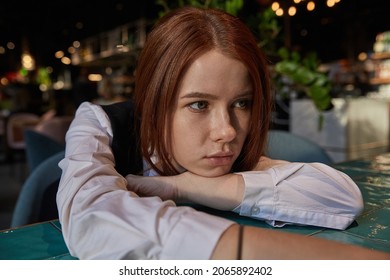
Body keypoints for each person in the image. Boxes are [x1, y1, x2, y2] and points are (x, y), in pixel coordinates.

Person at [56, 7, 390, 259]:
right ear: (154, 101)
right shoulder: (99, 123)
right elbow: (90, 217)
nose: (227, 131)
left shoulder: (230, 156)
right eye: (199, 105)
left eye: (241, 103)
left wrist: (185, 187)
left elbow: (343, 199)